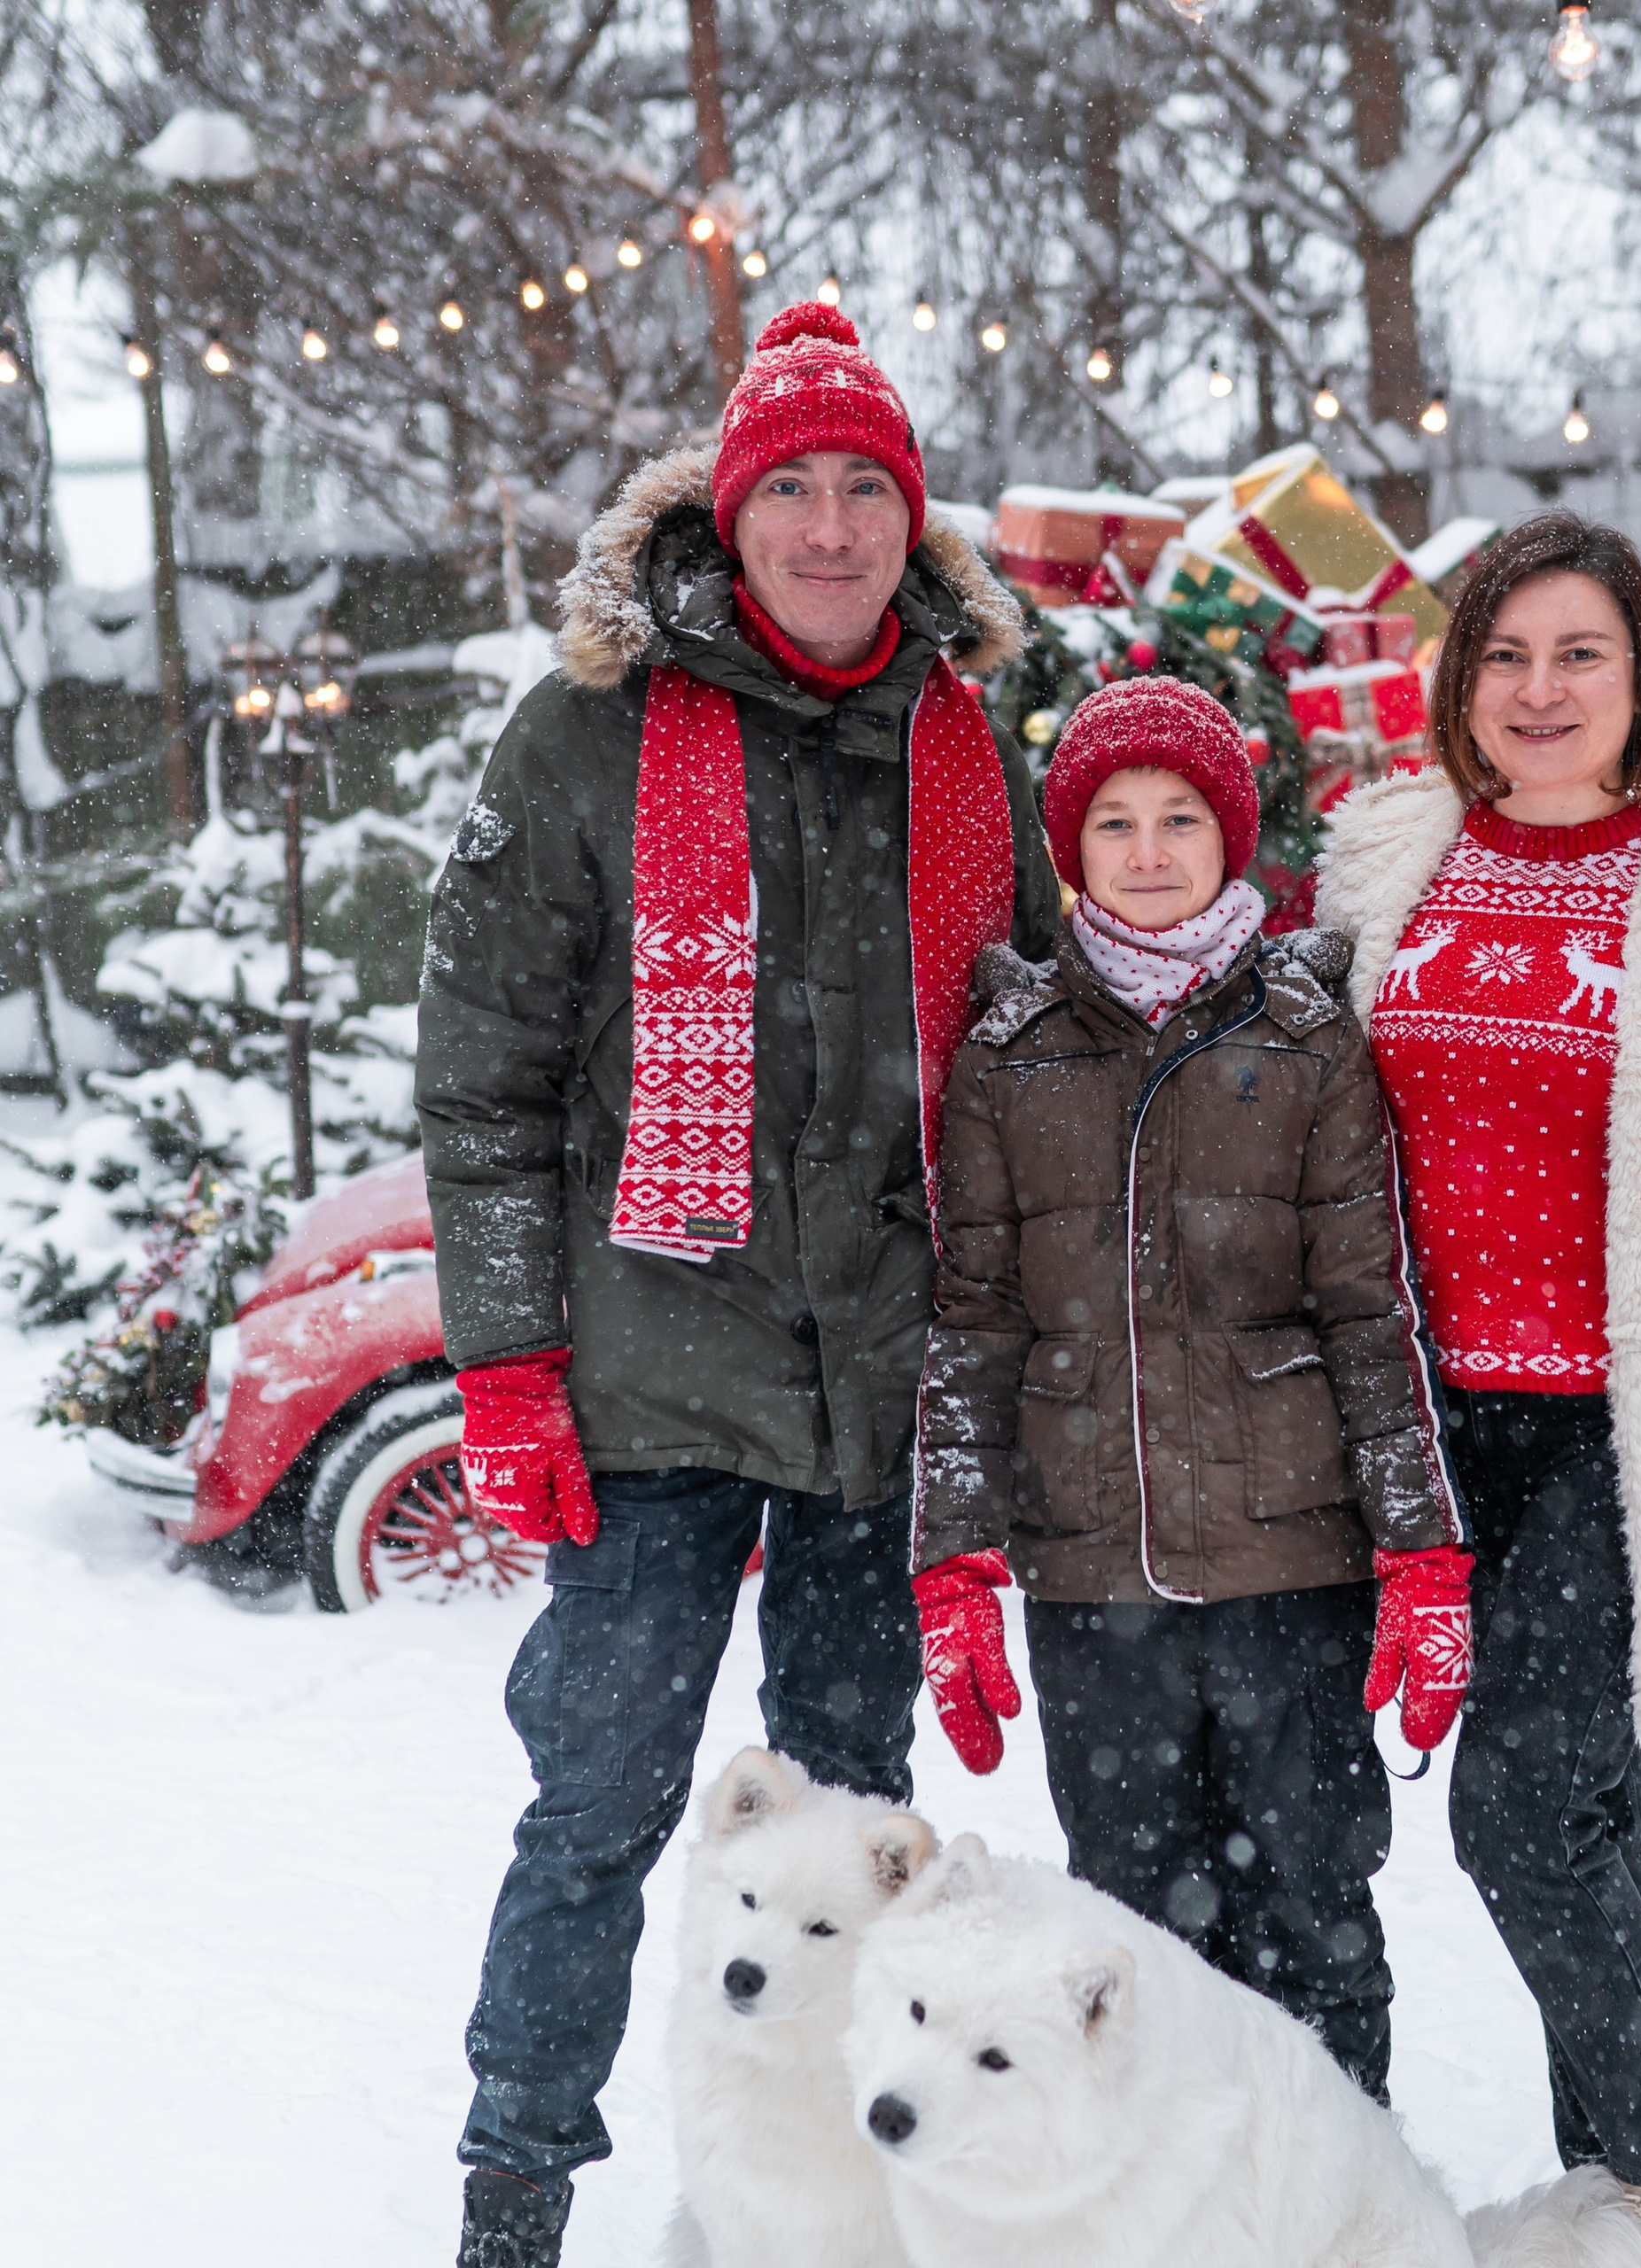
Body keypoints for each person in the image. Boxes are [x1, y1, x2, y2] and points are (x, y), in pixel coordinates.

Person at [416, 301, 1060, 2268]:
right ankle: (516, 2183)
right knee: (601, 1800)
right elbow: (485, 1070)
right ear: (730, 505)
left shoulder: (961, 747)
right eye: (795, 485)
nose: (834, 525)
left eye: (871, 486)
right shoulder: (585, 733)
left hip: (875, 1390)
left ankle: (828, 2193)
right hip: (645, 1386)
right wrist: (512, 1363)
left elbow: (1024, 1045)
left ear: (913, 519)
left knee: (854, 1833)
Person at [1312, 512, 1641, 2268]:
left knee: (1522, 1807)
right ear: (1456, 680)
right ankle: (1628, 2190)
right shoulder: (1385, 858)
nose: (1538, 691)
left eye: (1579, 654)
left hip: (1606, 1435)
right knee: (1584, 1805)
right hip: (1406, 1420)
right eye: (1505, 655)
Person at [906, 674, 1469, 2102]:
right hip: (1097, 1583)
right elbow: (972, 1321)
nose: (1148, 852)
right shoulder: (1009, 1054)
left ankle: (1339, 2204)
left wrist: (1421, 1549)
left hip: (1293, 1570)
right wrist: (954, 1562)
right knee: (1132, 1932)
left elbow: (1367, 1308)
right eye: (1113, 823)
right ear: (1069, 847)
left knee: (1315, 1911)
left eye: (1180, 820)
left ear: (1230, 839)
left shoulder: (1305, 1037)